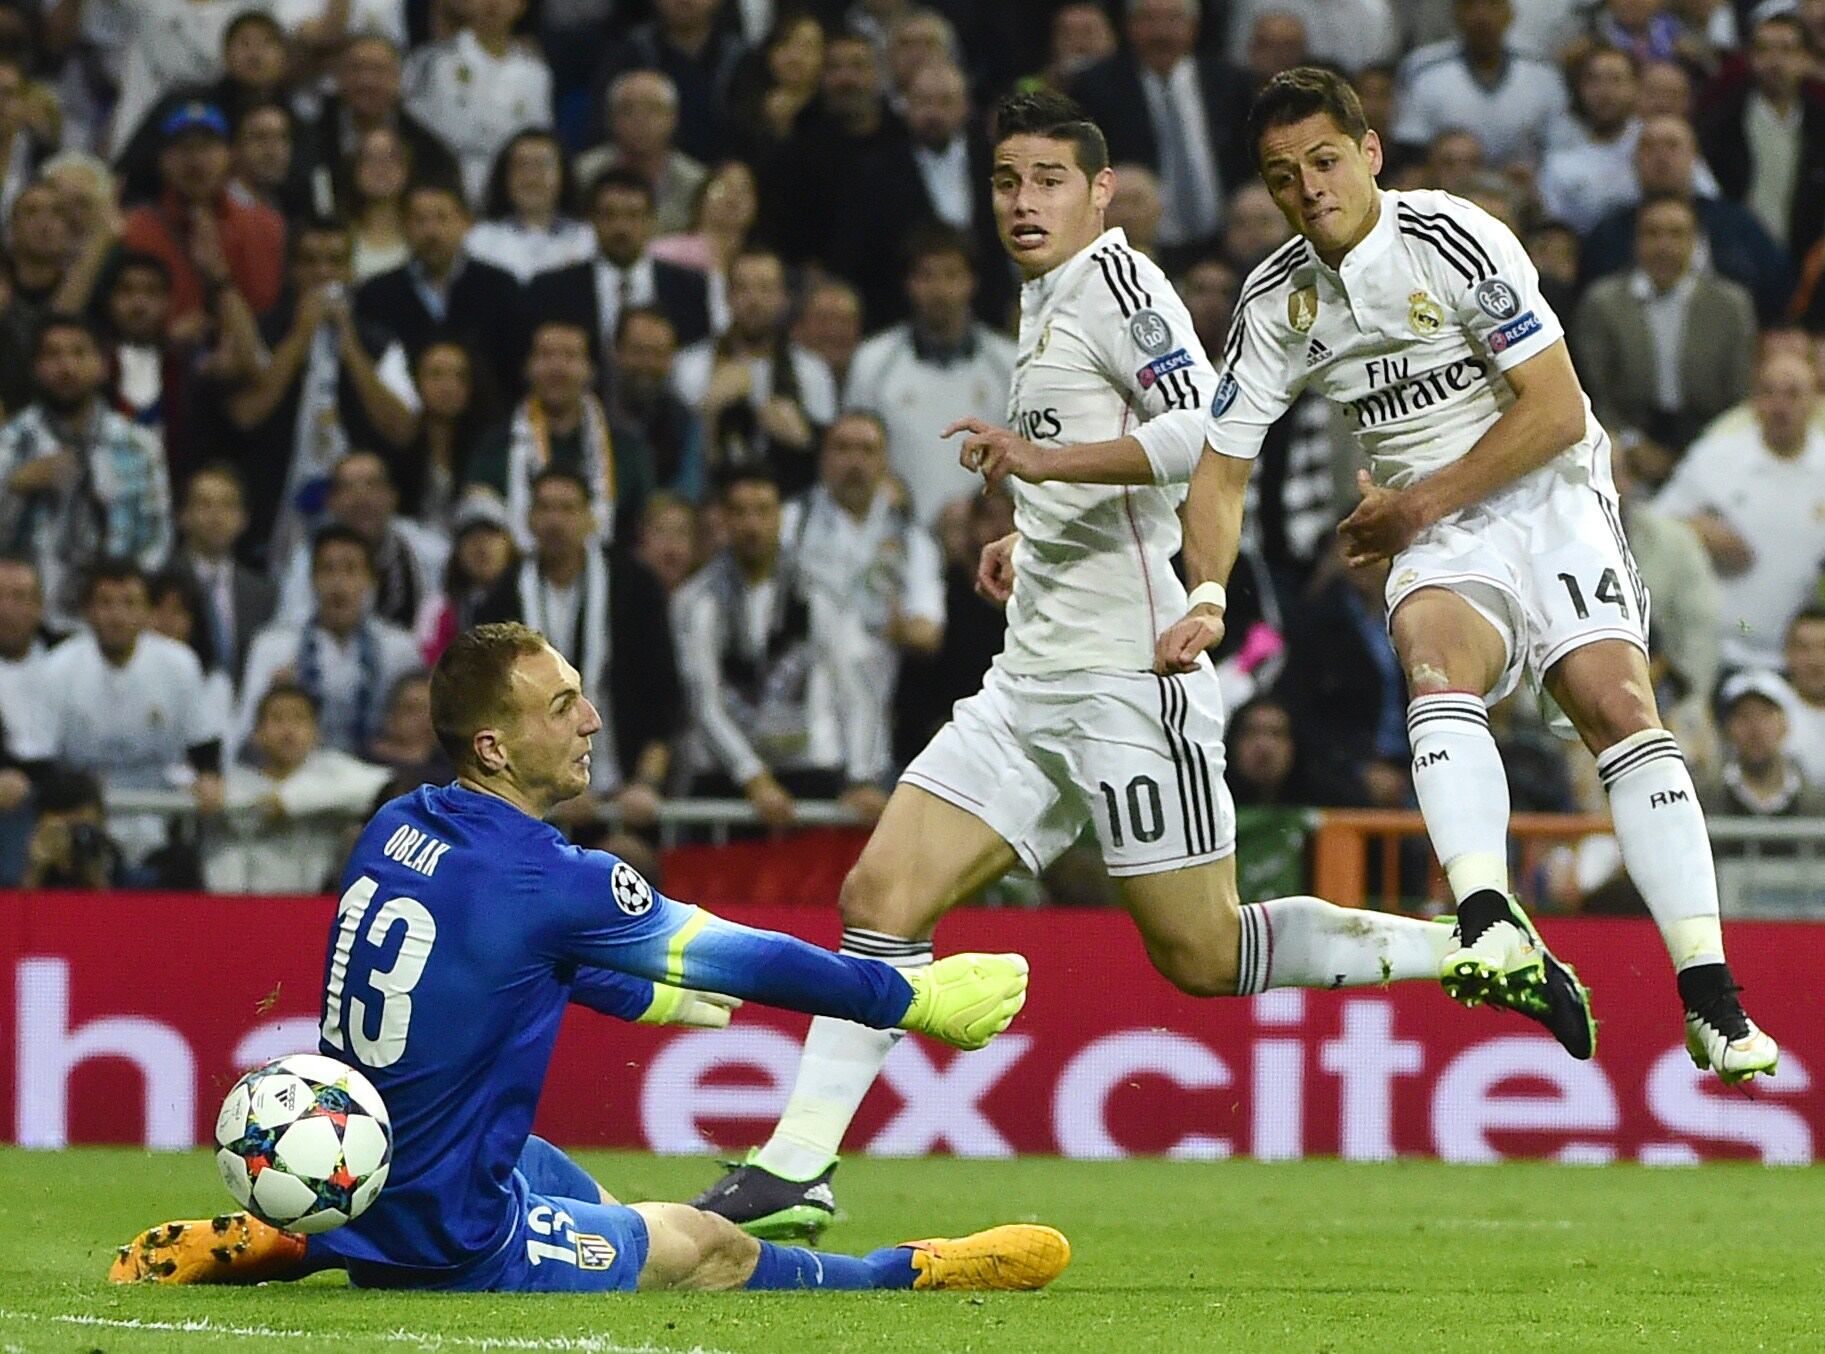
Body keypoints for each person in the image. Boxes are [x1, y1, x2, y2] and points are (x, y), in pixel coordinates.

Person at [693, 90, 1528, 1240]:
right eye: (1004, 181)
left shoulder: (1125, 287)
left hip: (1130, 687)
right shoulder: (1043, 298)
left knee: (1202, 949)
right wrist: (1026, 527)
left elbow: (1205, 432)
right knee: (878, 896)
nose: (1022, 202)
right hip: (1028, 680)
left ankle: (1472, 948)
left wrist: (1043, 459)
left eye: (1047, 181)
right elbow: (1108, 477)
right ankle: (795, 1165)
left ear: (1098, 194)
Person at [110, 620, 1063, 1297]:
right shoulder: (552, 879)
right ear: (493, 745)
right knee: (705, 1247)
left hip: (382, 1170)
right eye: (562, 705)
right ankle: (910, 1271)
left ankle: (295, 1239)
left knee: (596, 1198)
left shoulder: (398, 823)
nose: (592, 721)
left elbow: (490, 962)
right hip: (458, 1233)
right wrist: (905, 996)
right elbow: (747, 959)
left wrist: (647, 1002)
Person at [1151, 68, 1771, 1083]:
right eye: (1281, 177)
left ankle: (1710, 997)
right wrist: (1208, 593)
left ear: (1368, 155)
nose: (1307, 189)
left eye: (1322, 161)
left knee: (1618, 704)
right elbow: (1221, 466)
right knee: (1435, 663)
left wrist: (1413, 503)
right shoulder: (1277, 302)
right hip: (1436, 527)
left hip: (1547, 496)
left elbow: (1557, 407)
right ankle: (1489, 919)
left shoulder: (1454, 236)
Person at [40, 558, 224, 867]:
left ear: (148, 612)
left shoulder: (179, 664)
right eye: (106, 603)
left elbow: (204, 747)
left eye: (130, 603)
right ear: (87, 611)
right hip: (81, 820)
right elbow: (42, 760)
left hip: (162, 816)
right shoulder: (57, 669)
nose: (117, 616)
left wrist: (209, 778)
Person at [1654, 348, 1825, 669]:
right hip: (1710, 649)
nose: (1779, 406)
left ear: (1815, 400)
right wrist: (1696, 530)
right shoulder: (1718, 456)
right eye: (1768, 393)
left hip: (1794, 660)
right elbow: (1653, 525)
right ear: (1754, 400)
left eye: (1793, 394)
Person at [0, 315, 172, 626]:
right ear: (35, 368)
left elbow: (156, 542)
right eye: (53, 355)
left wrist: (122, 605)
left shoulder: (138, 445)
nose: (66, 367)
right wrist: (15, 487)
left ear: (103, 365)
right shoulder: (10, 444)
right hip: (25, 623)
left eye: (79, 353)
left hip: (112, 620)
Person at [842, 224, 1017, 524]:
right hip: (897, 535)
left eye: (951, 275)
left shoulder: (1009, 361)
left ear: (972, 282)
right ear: (909, 284)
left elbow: (1023, 455)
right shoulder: (872, 361)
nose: (940, 290)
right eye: (927, 276)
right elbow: (854, 452)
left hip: (985, 537)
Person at [1572, 193, 1758, 444]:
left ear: (1695, 242)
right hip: (1624, 441)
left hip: (1710, 439)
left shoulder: (1731, 305)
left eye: (1676, 234)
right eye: (1652, 234)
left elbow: (1739, 394)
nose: (1664, 246)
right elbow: (1595, 392)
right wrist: (1631, 444)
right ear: (1635, 240)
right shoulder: (1602, 304)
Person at [238, 525, 424, 758]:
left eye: (350, 569)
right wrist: (280, 697)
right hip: (299, 774)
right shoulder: (274, 645)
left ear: (371, 581)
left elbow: (417, 728)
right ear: (313, 580)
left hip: (376, 770)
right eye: (328, 570)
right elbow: (248, 731)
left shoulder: (399, 648)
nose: (338, 582)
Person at [204, 680, 394, 892]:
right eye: (277, 719)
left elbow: (383, 784)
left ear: (316, 732)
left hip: (310, 910)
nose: (288, 730)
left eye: (299, 719)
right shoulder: (235, 781)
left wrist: (288, 801)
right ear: (257, 734)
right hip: (241, 907)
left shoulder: (332, 770)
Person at [402, 0, 553, 206]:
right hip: (441, 184)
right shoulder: (434, 59)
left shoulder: (535, 72)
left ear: (522, 5)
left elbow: (538, 138)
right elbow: (410, 126)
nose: (493, 4)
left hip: (505, 192)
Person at [465, 129, 596, 285]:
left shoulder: (586, 238)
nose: (531, 177)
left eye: (542, 165)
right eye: (521, 165)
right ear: (504, 177)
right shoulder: (479, 240)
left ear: (563, 174)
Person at [1694, 669, 1825, 823]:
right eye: (1743, 715)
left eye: (1765, 715)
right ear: (1727, 728)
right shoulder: (1705, 798)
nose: (1755, 729)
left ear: (1785, 724)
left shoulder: (1814, 802)